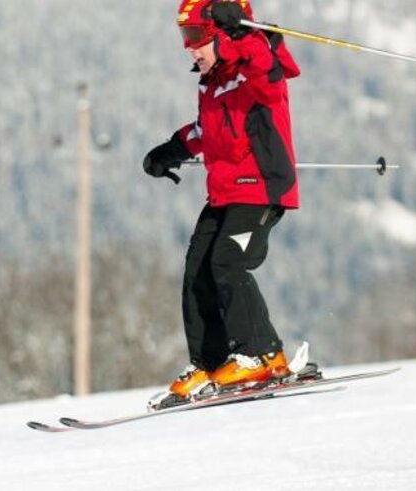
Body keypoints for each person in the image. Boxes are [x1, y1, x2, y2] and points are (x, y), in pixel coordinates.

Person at [143, 0, 303, 410]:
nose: (189, 48)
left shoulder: (258, 66)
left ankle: (263, 356)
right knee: (198, 268)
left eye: (196, 37)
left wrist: (244, 35)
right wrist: (172, 149)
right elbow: (205, 130)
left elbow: (269, 80)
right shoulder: (212, 82)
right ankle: (211, 362)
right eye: (185, 37)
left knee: (228, 262)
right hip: (227, 192)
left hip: (262, 188)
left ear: (222, 32)